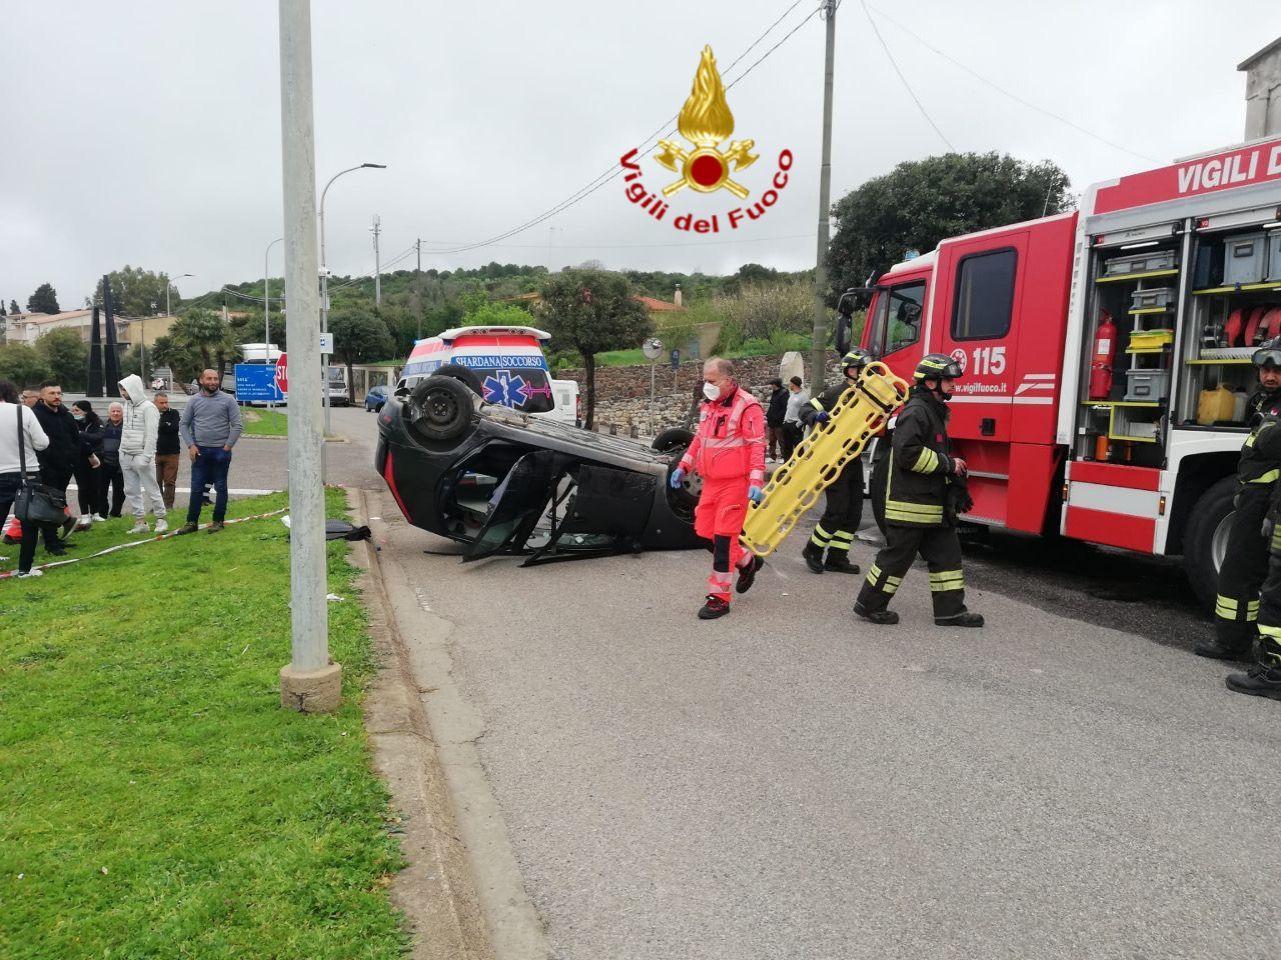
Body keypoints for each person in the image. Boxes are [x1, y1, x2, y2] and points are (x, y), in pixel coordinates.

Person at [853, 354, 984, 628]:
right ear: (931, 382)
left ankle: (950, 612)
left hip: (932, 506)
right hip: (910, 506)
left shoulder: (932, 411)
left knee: (947, 557)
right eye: (948, 380)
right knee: (896, 559)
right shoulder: (916, 411)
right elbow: (907, 454)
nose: (954, 385)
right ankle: (869, 605)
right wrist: (949, 464)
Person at [1194, 338, 1281, 661]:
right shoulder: (1266, 402)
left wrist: (1272, 509)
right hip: (1253, 499)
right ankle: (1233, 641)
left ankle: (1239, 645)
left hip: (1266, 503)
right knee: (1240, 573)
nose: (1270, 376)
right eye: (1266, 369)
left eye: (1277, 370)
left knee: (1244, 573)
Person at [669, 357, 766, 620]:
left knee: (723, 539)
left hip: (735, 484)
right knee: (704, 533)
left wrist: (756, 482)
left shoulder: (748, 407)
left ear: (728, 380)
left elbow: (758, 446)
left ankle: (718, 598)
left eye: (711, 381)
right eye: (705, 380)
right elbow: (700, 439)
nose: (706, 386)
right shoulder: (708, 406)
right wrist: (683, 466)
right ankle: (746, 560)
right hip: (711, 483)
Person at [799, 349, 875, 576]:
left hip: (853, 460)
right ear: (849, 371)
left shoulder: (869, 396)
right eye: (859, 369)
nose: (863, 374)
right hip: (833, 460)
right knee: (837, 510)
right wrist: (817, 417)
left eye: (866, 370)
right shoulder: (835, 393)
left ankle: (837, 557)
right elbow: (806, 408)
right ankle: (813, 550)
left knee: (854, 512)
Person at [177, 368, 243, 535]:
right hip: (199, 452)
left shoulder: (228, 400)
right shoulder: (194, 401)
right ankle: (191, 522)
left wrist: (227, 446)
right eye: (209, 379)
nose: (213, 382)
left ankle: (218, 521)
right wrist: (190, 445)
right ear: (201, 380)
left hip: (221, 451)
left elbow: (237, 425)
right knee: (197, 487)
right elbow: (183, 424)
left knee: (221, 487)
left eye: (215, 378)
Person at [0, 380, 51, 577]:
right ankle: (25, 569)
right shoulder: (23, 411)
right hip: (26, 472)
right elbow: (41, 443)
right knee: (29, 522)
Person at [31, 380, 79, 555]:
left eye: (59, 393)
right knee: (49, 505)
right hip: (46, 468)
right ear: (42, 396)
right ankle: (51, 543)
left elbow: (75, 437)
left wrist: (76, 456)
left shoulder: (65, 414)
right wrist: (42, 465)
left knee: (59, 504)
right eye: (52, 393)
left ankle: (55, 539)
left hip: (65, 467)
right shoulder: (35, 415)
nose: (57, 396)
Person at [118, 374, 167, 534]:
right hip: (126, 454)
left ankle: (161, 519)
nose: (123, 393)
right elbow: (125, 430)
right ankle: (140, 522)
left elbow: (152, 435)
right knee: (131, 490)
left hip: (141, 455)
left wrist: (146, 456)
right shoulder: (126, 405)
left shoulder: (149, 407)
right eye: (122, 389)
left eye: (125, 389)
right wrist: (121, 451)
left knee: (152, 488)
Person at [71, 400, 104, 523]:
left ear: (85, 411)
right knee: (83, 486)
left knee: (95, 486)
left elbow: (98, 437)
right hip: (79, 458)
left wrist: (81, 434)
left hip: (96, 458)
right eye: (73, 410)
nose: (74, 413)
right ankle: (85, 514)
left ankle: (95, 512)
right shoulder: (72, 423)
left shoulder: (96, 422)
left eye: (77, 410)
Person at [153, 392, 181, 511]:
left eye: (166, 402)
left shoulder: (173, 413)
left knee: (169, 481)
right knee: (155, 481)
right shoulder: (151, 413)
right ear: (155, 403)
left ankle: (168, 506)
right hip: (155, 452)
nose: (165, 405)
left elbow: (173, 428)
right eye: (161, 403)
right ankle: (158, 506)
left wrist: (161, 425)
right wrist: (164, 425)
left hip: (172, 453)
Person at [98, 403, 126, 518]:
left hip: (121, 464)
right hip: (105, 463)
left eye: (118, 411)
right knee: (101, 490)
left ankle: (116, 512)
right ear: (109, 413)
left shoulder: (127, 426)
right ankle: (102, 513)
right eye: (113, 411)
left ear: (122, 413)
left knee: (120, 491)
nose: (116, 413)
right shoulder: (102, 425)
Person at [781, 376, 809, 460]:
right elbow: (789, 408)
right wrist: (785, 421)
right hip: (787, 423)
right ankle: (786, 466)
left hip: (796, 424)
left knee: (798, 447)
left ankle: (799, 465)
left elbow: (806, 411)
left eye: (790, 383)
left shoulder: (804, 396)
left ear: (794, 384)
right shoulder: (792, 394)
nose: (789, 385)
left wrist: (798, 424)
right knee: (786, 446)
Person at [765, 378, 788, 461]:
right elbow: (772, 406)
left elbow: (784, 408)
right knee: (772, 440)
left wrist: (777, 417)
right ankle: (772, 456)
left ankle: (783, 457)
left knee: (781, 440)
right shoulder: (774, 393)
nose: (771, 386)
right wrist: (768, 416)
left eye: (772, 384)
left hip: (779, 422)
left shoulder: (784, 393)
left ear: (776, 384)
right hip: (771, 421)